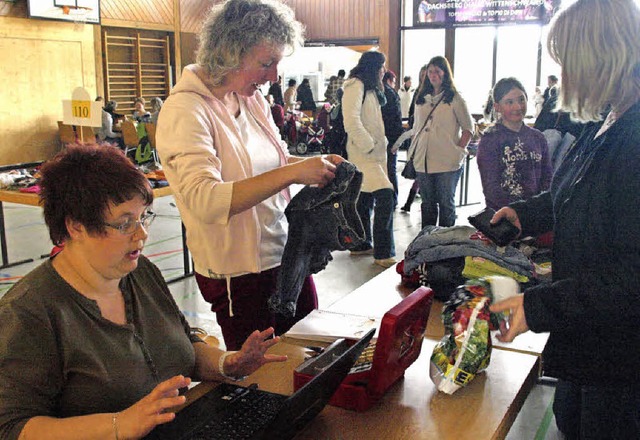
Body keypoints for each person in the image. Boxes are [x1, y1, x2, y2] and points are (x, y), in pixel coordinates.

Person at [0, 144, 287, 440]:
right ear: (76, 226)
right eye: (125, 223)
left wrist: (227, 364)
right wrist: (119, 425)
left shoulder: (140, 272)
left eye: (143, 217)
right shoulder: (28, 312)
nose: (142, 233)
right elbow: (12, 428)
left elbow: (180, 345)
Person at [155, 0, 343, 351]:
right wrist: (293, 173)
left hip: (285, 255)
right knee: (266, 382)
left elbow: (271, 162)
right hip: (238, 276)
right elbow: (206, 201)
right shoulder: (186, 111)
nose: (274, 76)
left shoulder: (251, 99)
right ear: (230, 54)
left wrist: (310, 163)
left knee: (312, 354)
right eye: (266, 63)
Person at [489, 1, 640, 438]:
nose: (564, 80)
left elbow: (630, 278)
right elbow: (575, 191)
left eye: (569, 64)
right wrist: (525, 214)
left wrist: (536, 306)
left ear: (602, 58)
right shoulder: (606, 122)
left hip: (621, 360)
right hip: (585, 340)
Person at [342, 50, 396, 268]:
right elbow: (351, 119)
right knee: (386, 196)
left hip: (371, 154)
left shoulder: (369, 88)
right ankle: (384, 252)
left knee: (364, 198)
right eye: (382, 66)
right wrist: (368, 144)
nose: (384, 70)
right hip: (365, 154)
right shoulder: (356, 85)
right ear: (374, 67)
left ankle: (360, 244)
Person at [406, 55, 473, 228]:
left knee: (446, 204)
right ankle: (426, 242)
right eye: (430, 71)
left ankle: (445, 242)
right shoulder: (421, 98)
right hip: (424, 160)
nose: (433, 75)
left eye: (437, 71)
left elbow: (468, 129)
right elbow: (416, 127)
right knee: (427, 204)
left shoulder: (455, 99)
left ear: (445, 73)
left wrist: (457, 151)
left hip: (446, 162)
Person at [476, 77, 552, 211]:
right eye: (509, 102)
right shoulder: (490, 140)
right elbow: (491, 188)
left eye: (521, 100)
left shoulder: (538, 137)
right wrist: (518, 211)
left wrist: (538, 207)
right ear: (497, 107)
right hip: (504, 215)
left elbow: (547, 178)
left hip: (536, 214)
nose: (517, 107)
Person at [381, 70, 403, 205]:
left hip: (379, 138)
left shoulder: (375, 92)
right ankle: (392, 199)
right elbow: (396, 119)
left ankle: (387, 200)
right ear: (389, 80)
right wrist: (397, 141)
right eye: (394, 82)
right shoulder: (391, 93)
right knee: (390, 169)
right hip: (390, 137)